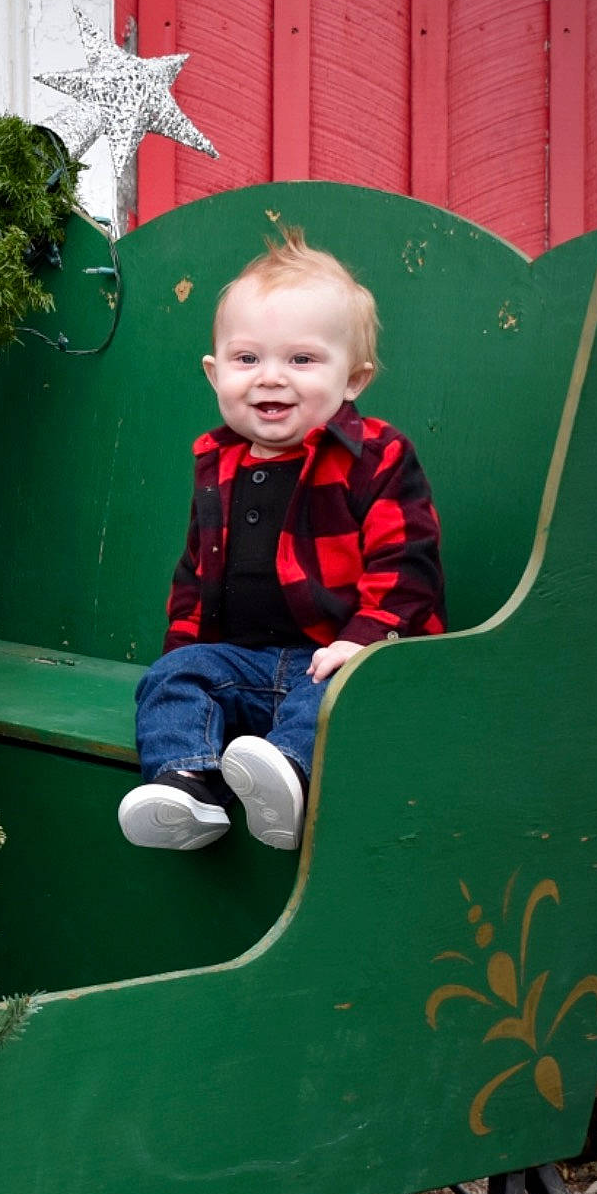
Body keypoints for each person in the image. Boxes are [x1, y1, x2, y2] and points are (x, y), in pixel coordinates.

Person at [117, 232, 445, 852]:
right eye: (247, 359)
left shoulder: (377, 457)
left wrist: (362, 642)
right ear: (215, 373)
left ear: (353, 379)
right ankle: (188, 786)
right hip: (248, 665)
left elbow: (408, 567)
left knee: (336, 697)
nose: (271, 378)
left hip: (343, 661)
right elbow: (194, 579)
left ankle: (287, 777)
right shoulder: (218, 464)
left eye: (302, 360)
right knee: (174, 676)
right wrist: (182, 655)